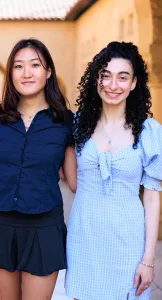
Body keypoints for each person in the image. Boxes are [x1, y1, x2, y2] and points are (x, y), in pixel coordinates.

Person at [0, 38, 77, 300]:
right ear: (11, 74)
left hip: (44, 227)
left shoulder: (65, 121)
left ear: (48, 71)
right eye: (18, 66)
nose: (27, 73)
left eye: (35, 65)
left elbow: (76, 180)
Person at [65, 41, 162, 299]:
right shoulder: (77, 125)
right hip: (84, 238)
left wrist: (148, 259)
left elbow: (152, 198)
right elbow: (72, 181)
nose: (112, 85)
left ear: (133, 83)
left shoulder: (149, 131)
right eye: (105, 76)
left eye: (122, 77)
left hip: (128, 242)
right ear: (96, 79)